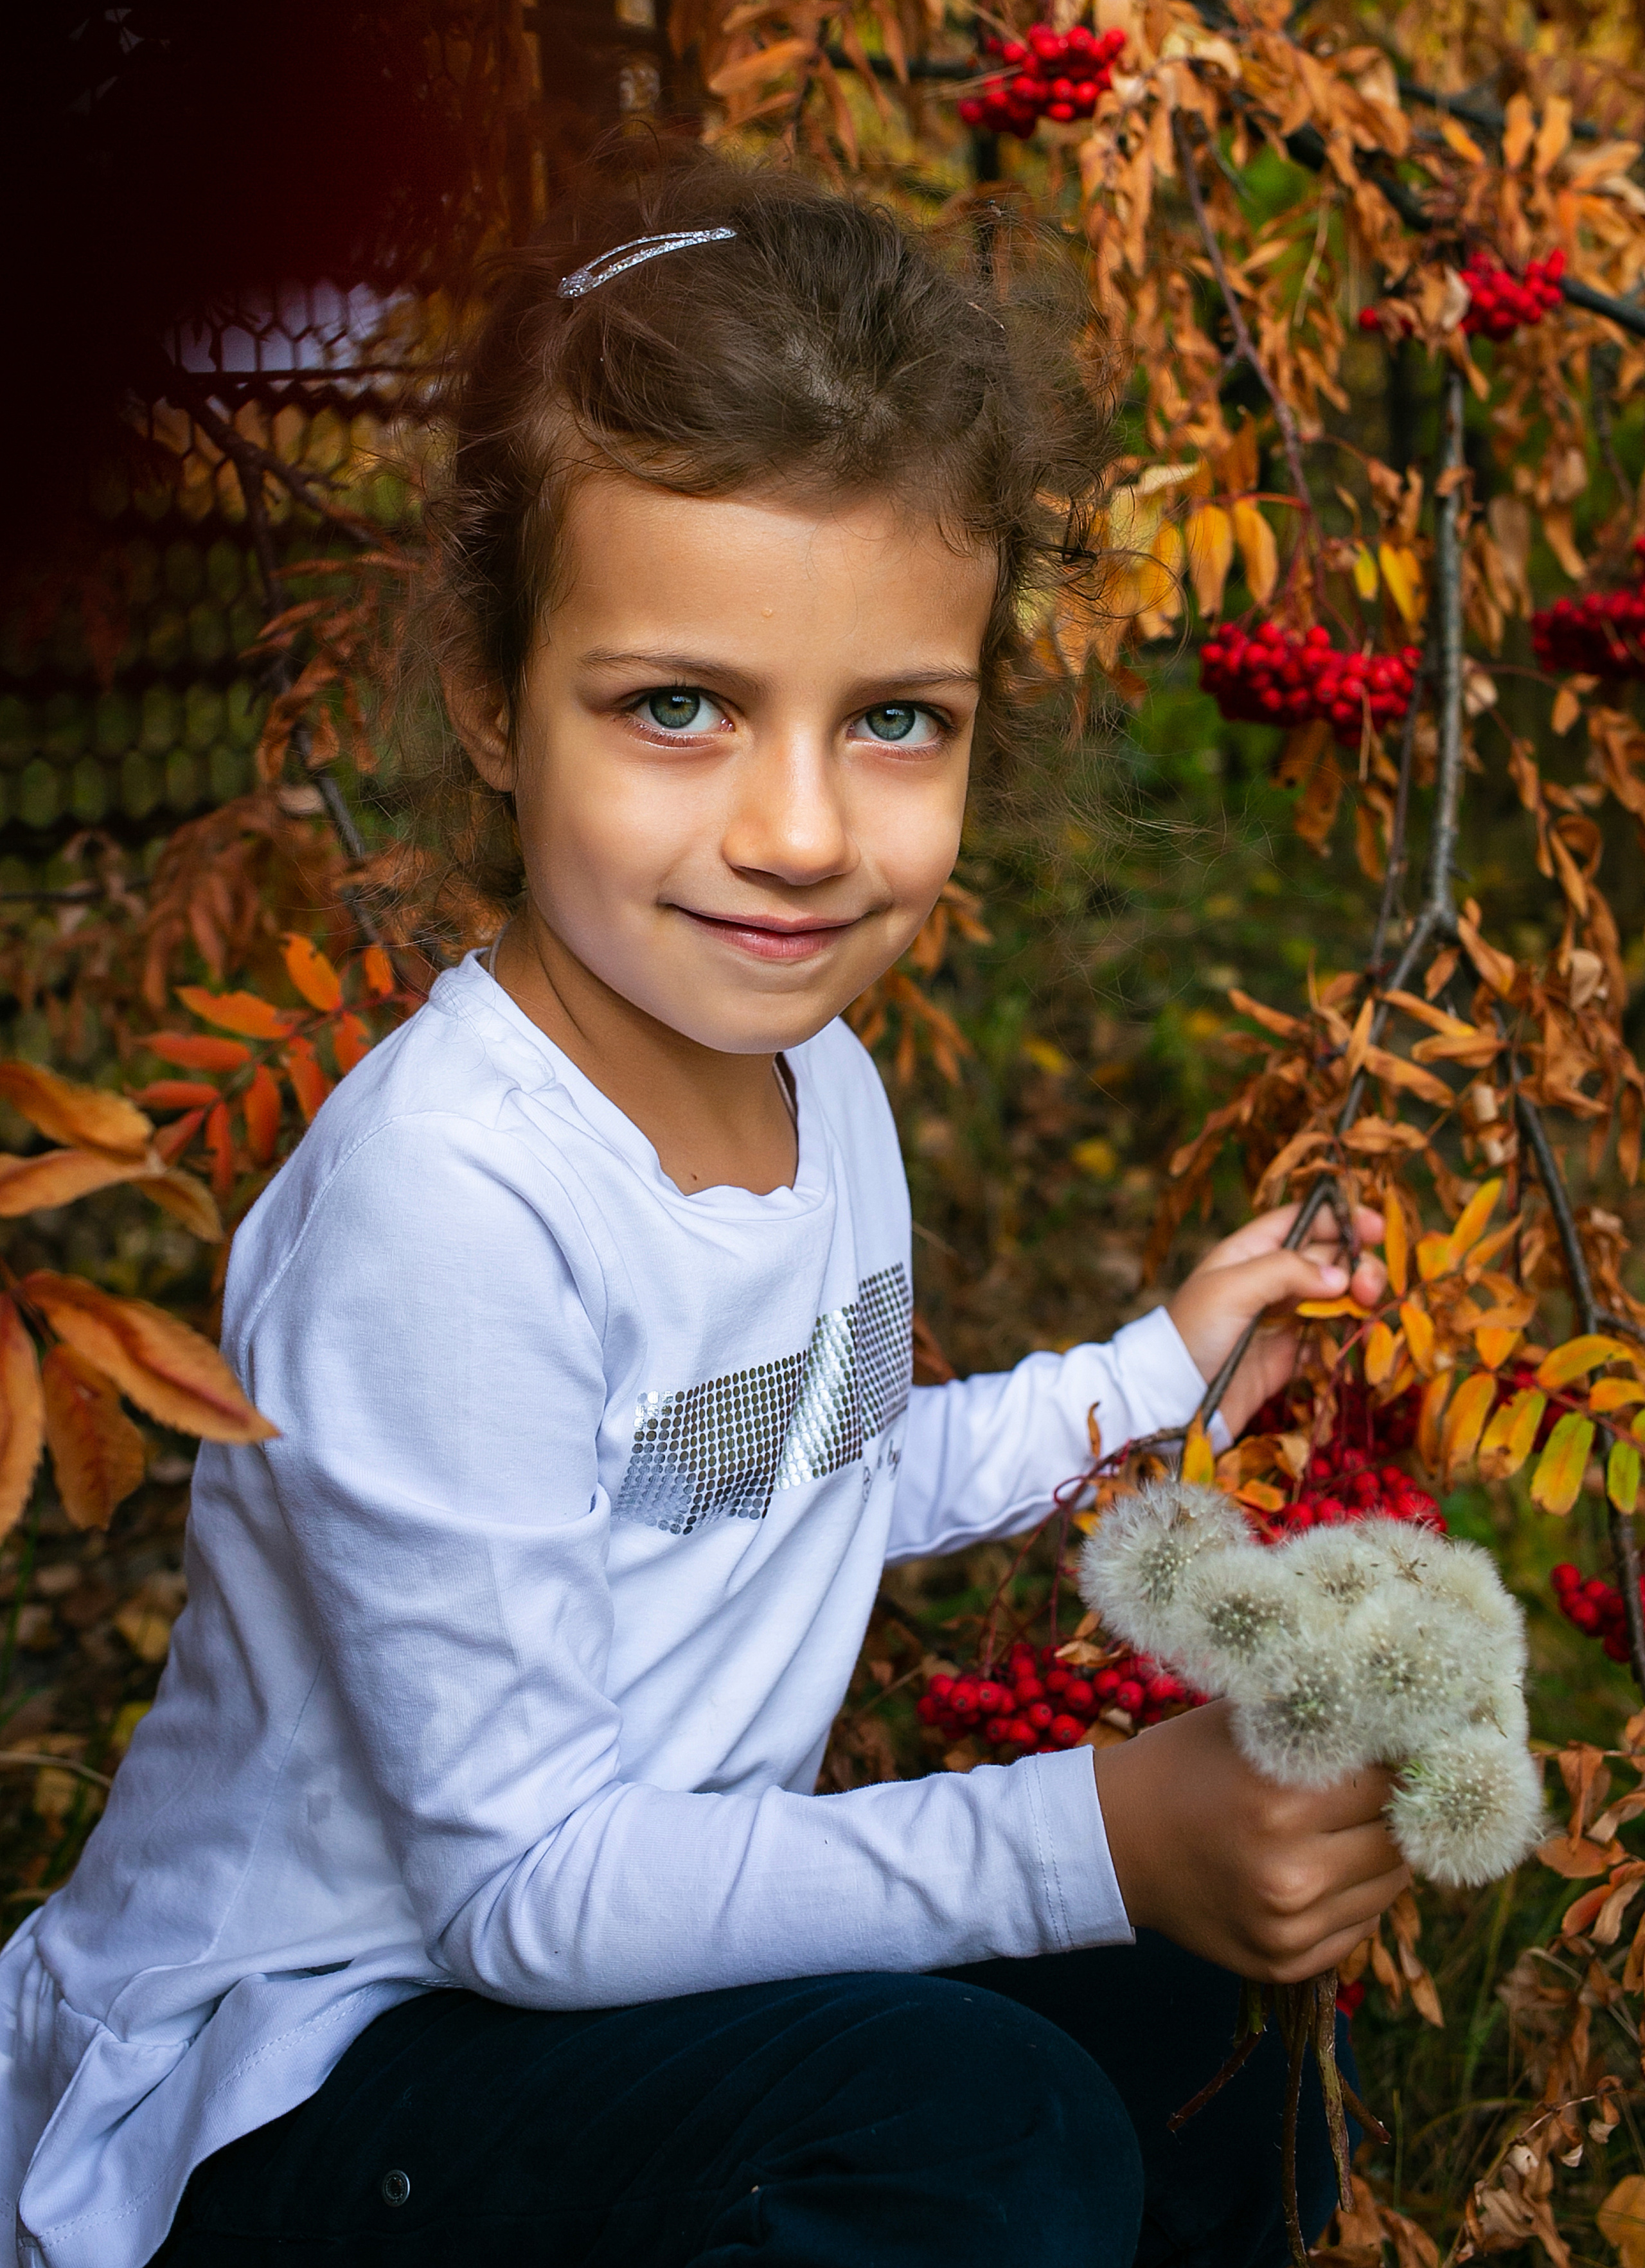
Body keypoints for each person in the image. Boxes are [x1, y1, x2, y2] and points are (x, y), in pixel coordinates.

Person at [0, 157, 1400, 2268]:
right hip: (296, 2085)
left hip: (586, 1986)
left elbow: (783, 1467)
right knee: (976, 2134)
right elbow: (527, 1889)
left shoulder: (817, 1083)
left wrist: (1147, 1373)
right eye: (681, 705)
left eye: (895, 720)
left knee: (1211, 2027)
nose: (804, 833)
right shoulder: (445, 1204)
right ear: (492, 696)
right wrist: (1089, 1828)